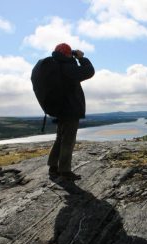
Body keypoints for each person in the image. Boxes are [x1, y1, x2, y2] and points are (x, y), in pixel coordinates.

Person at [47, 43, 95, 181]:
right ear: (67, 54)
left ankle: (53, 166)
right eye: (70, 53)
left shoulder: (56, 66)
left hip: (60, 109)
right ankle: (65, 171)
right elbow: (89, 71)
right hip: (70, 109)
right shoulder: (67, 66)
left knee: (60, 139)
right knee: (68, 140)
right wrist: (81, 58)